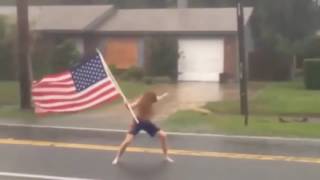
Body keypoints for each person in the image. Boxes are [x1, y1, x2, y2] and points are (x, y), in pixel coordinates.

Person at [112, 91, 174, 165]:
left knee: (163, 135)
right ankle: (117, 157)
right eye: (153, 100)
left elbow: (158, 98)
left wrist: (163, 95)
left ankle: (166, 156)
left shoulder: (151, 100)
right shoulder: (140, 101)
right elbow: (130, 108)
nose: (154, 101)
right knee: (127, 141)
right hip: (138, 122)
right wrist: (125, 103)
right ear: (148, 99)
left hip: (147, 123)